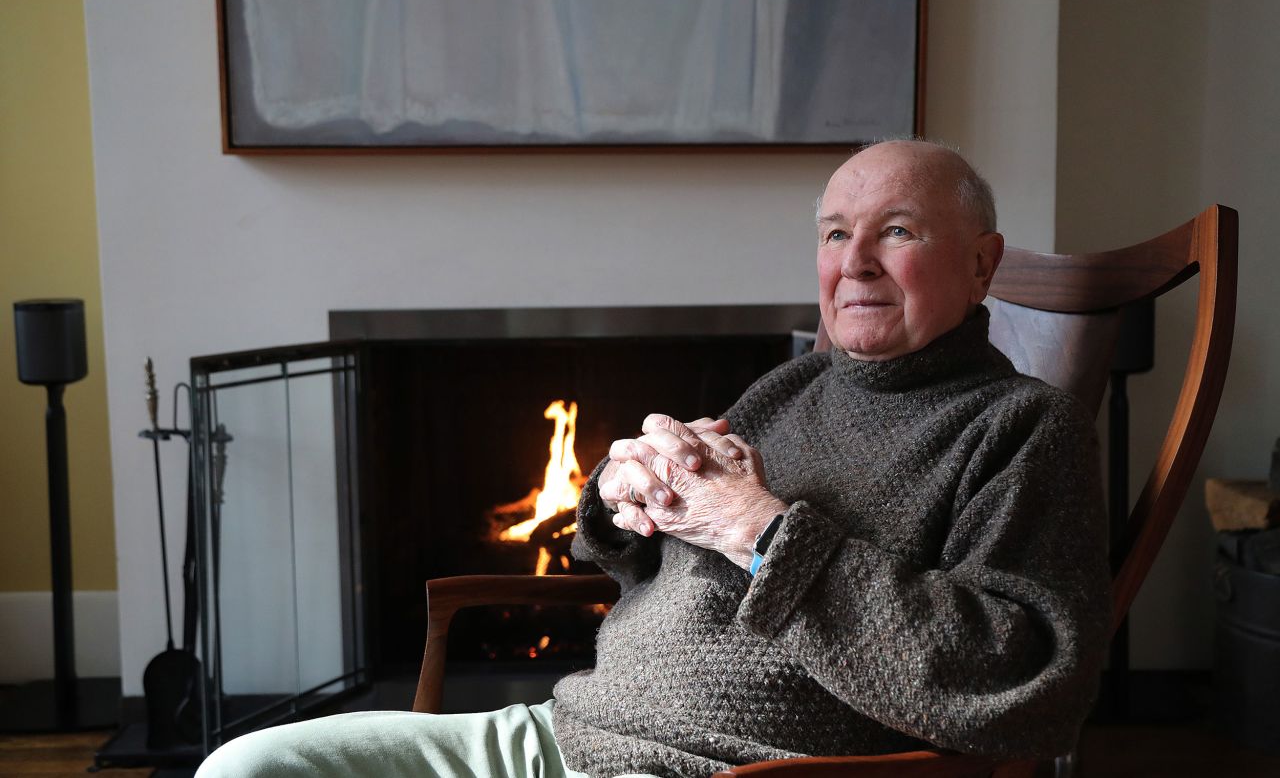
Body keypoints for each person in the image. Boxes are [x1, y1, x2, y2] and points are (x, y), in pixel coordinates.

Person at [197, 140, 1110, 778]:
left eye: (897, 231)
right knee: (252, 764)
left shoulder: (1022, 429)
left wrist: (757, 529)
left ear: (983, 264)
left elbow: (1020, 682)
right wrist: (625, 495)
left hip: (722, 768)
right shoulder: (792, 388)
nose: (855, 263)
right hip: (571, 733)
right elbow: (654, 554)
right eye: (835, 233)